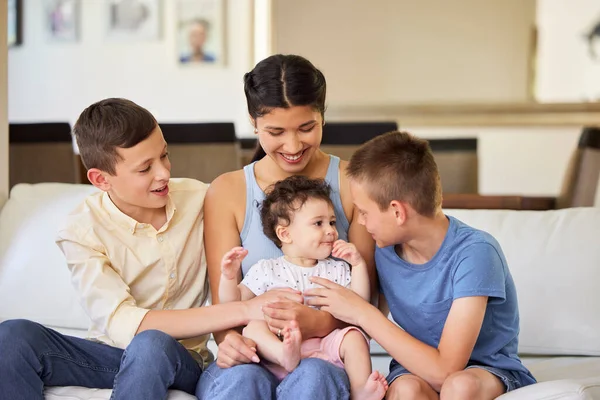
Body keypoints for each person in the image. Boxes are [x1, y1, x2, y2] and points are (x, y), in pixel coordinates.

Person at [0, 98, 272, 400]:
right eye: (145, 169)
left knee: (152, 344)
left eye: (164, 155)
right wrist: (241, 310)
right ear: (101, 179)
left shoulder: (202, 199)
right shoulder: (81, 229)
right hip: (109, 357)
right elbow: (122, 322)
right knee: (13, 337)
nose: (164, 173)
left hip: (180, 360)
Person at [305, 131, 537, 400]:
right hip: (415, 369)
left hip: (488, 371)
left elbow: (447, 370)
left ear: (397, 212)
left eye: (365, 213)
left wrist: (362, 313)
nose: (361, 224)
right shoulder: (385, 251)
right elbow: (355, 318)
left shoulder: (475, 253)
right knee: (405, 389)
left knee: (459, 386)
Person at [197, 54, 376, 399]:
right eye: (276, 132)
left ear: (323, 115)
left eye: (306, 128)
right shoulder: (228, 191)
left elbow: (367, 299)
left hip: (323, 355)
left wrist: (317, 324)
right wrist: (230, 342)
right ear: (253, 122)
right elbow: (225, 306)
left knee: (315, 376)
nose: (293, 147)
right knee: (243, 381)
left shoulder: (354, 182)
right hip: (254, 352)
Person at [219, 175, 387, 400]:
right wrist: (229, 277)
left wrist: (357, 265)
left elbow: (358, 305)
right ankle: (284, 355)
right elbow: (233, 304)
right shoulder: (267, 269)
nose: (330, 230)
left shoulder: (336, 269)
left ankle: (360, 391)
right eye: (318, 223)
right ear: (284, 234)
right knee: (252, 328)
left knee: (354, 336)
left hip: (324, 346)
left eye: (332, 222)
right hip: (275, 350)